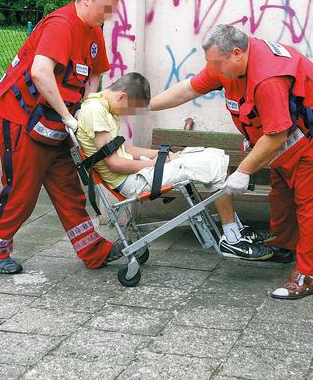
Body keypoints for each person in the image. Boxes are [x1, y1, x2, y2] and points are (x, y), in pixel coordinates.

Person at [150, 25, 313, 300]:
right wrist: (144, 106)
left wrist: (243, 171)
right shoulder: (225, 62)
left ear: (236, 54)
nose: (213, 71)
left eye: (217, 65)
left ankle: (310, 275)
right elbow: (187, 89)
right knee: (281, 185)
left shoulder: (267, 78)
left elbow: (275, 136)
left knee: (312, 198)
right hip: (291, 127)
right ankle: (283, 244)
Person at [0, 0, 128, 274]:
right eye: (106, 9)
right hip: (20, 118)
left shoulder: (92, 29)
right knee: (22, 190)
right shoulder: (61, 25)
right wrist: (68, 116)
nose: (109, 17)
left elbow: (95, 74)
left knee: (68, 187)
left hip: (55, 121)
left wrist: (83, 111)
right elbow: (40, 72)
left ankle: (93, 251)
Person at [74, 72, 274, 261]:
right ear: (121, 97)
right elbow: (116, 164)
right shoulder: (96, 112)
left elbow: (125, 149)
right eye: (130, 109)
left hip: (138, 172)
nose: (129, 115)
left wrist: (163, 154)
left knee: (215, 155)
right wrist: (152, 163)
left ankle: (234, 229)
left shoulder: (103, 107)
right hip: (133, 180)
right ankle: (231, 238)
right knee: (214, 164)